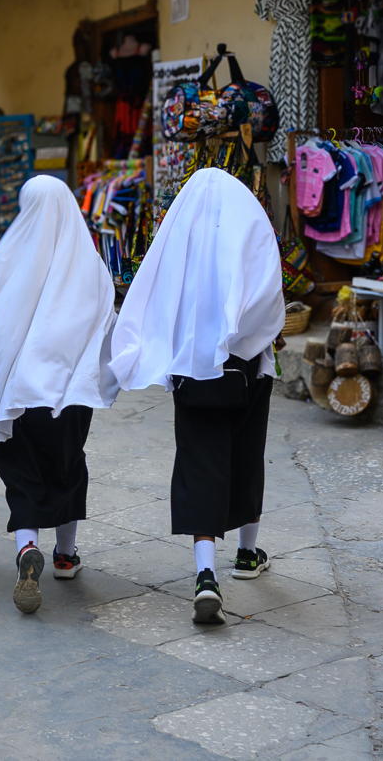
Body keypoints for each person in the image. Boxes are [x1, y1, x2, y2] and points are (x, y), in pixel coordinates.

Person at [109, 168, 285, 624]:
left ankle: (206, 576)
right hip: (245, 368)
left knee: (198, 463)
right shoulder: (250, 226)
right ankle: (247, 555)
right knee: (247, 457)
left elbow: (155, 297)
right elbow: (268, 295)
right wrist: (244, 339)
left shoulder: (179, 241)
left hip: (192, 371)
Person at [0, 175, 120, 614]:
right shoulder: (90, 265)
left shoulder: (5, 261)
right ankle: (64, 555)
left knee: (23, 472)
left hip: (20, 393)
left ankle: (26, 550)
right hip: (71, 395)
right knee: (68, 465)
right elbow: (105, 326)